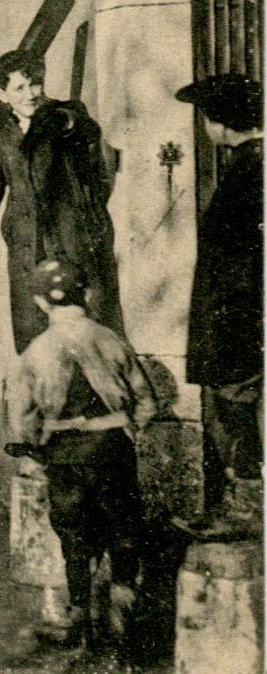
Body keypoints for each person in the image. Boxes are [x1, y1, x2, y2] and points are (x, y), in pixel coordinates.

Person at [4, 258, 157, 649]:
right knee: (123, 527)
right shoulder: (111, 339)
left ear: (41, 302)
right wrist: (129, 426)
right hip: (111, 448)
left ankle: (80, 615)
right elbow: (146, 400)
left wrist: (31, 453)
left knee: (74, 535)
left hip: (65, 454)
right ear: (86, 295)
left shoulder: (36, 351)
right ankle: (123, 603)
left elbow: (22, 417)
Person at [0, 49, 121, 353]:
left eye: (35, 85)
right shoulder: (0, 136)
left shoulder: (64, 115)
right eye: (19, 88)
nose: (31, 94)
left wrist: (60, 122)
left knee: (89, 336)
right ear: (2, 95)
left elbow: (83, 129)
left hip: (72, 246)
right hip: (27, 253)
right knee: (36, 344)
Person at [174, 73, 263, 536]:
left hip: (240, 322)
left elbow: (240, 263)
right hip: (242, 319)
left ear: (219, 123)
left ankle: (245, 513)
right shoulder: (248, 165)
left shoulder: (249, 172)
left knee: (236, 414)